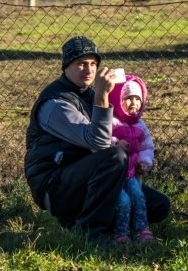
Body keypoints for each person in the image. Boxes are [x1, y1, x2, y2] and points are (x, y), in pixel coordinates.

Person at [24, 36, 170, 242]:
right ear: (66, 67)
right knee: (115, 157)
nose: (89, 70)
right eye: (81, 63)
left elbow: (117, 126)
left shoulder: (88, 94)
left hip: (89, 176)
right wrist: (102, 95)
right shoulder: (55, 103)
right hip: (56, 185)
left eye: (93, 64)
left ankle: (101, 223)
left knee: (157, 205)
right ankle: (90, 232)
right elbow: (98, 143)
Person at [109, 74, 155, 244]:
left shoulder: (140, 126)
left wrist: (145, 162)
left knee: (138, 197)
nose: (134, 103)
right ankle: (120, 233)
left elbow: (147, 147)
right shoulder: (112, 122)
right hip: (114, 176)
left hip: (130, 174)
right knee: (123, 201)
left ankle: (141, 228)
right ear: (117, 99)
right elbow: (101, 139)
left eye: (137, 99)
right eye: (128, 98)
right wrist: (115, 143)